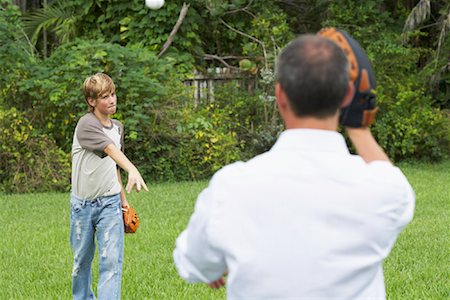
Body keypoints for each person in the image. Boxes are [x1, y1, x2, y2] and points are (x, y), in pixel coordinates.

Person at [173, 33, 415, 299]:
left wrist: (214, 265)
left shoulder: (231, 187)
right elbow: (388, 177)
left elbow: (192, 263)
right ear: (347, 94)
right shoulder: (382, 190)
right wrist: (358, 124)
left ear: (280, 95)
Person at [70, 73, 148, 300]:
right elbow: (110, 150)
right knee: (81, 262)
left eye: (112, 94)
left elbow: (113, 166)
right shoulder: (86, 124)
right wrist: (132, 168)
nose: (112, 100)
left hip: (110, 204)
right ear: (91, 101)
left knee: (111, 262)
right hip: (82, 207)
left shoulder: (118, 127)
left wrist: (124, 203)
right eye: (105, 96)